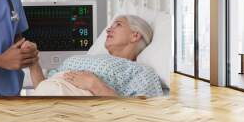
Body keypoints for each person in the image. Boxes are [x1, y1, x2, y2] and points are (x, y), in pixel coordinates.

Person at [26, 15, 164, 97]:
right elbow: (42, 86)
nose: (109, 29)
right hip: (43, 99)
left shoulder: (141, 71)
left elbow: (142, 113)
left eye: (118, 25)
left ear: (135, 35)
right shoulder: (91, 57)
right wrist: (33, 62)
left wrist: (95, 85)